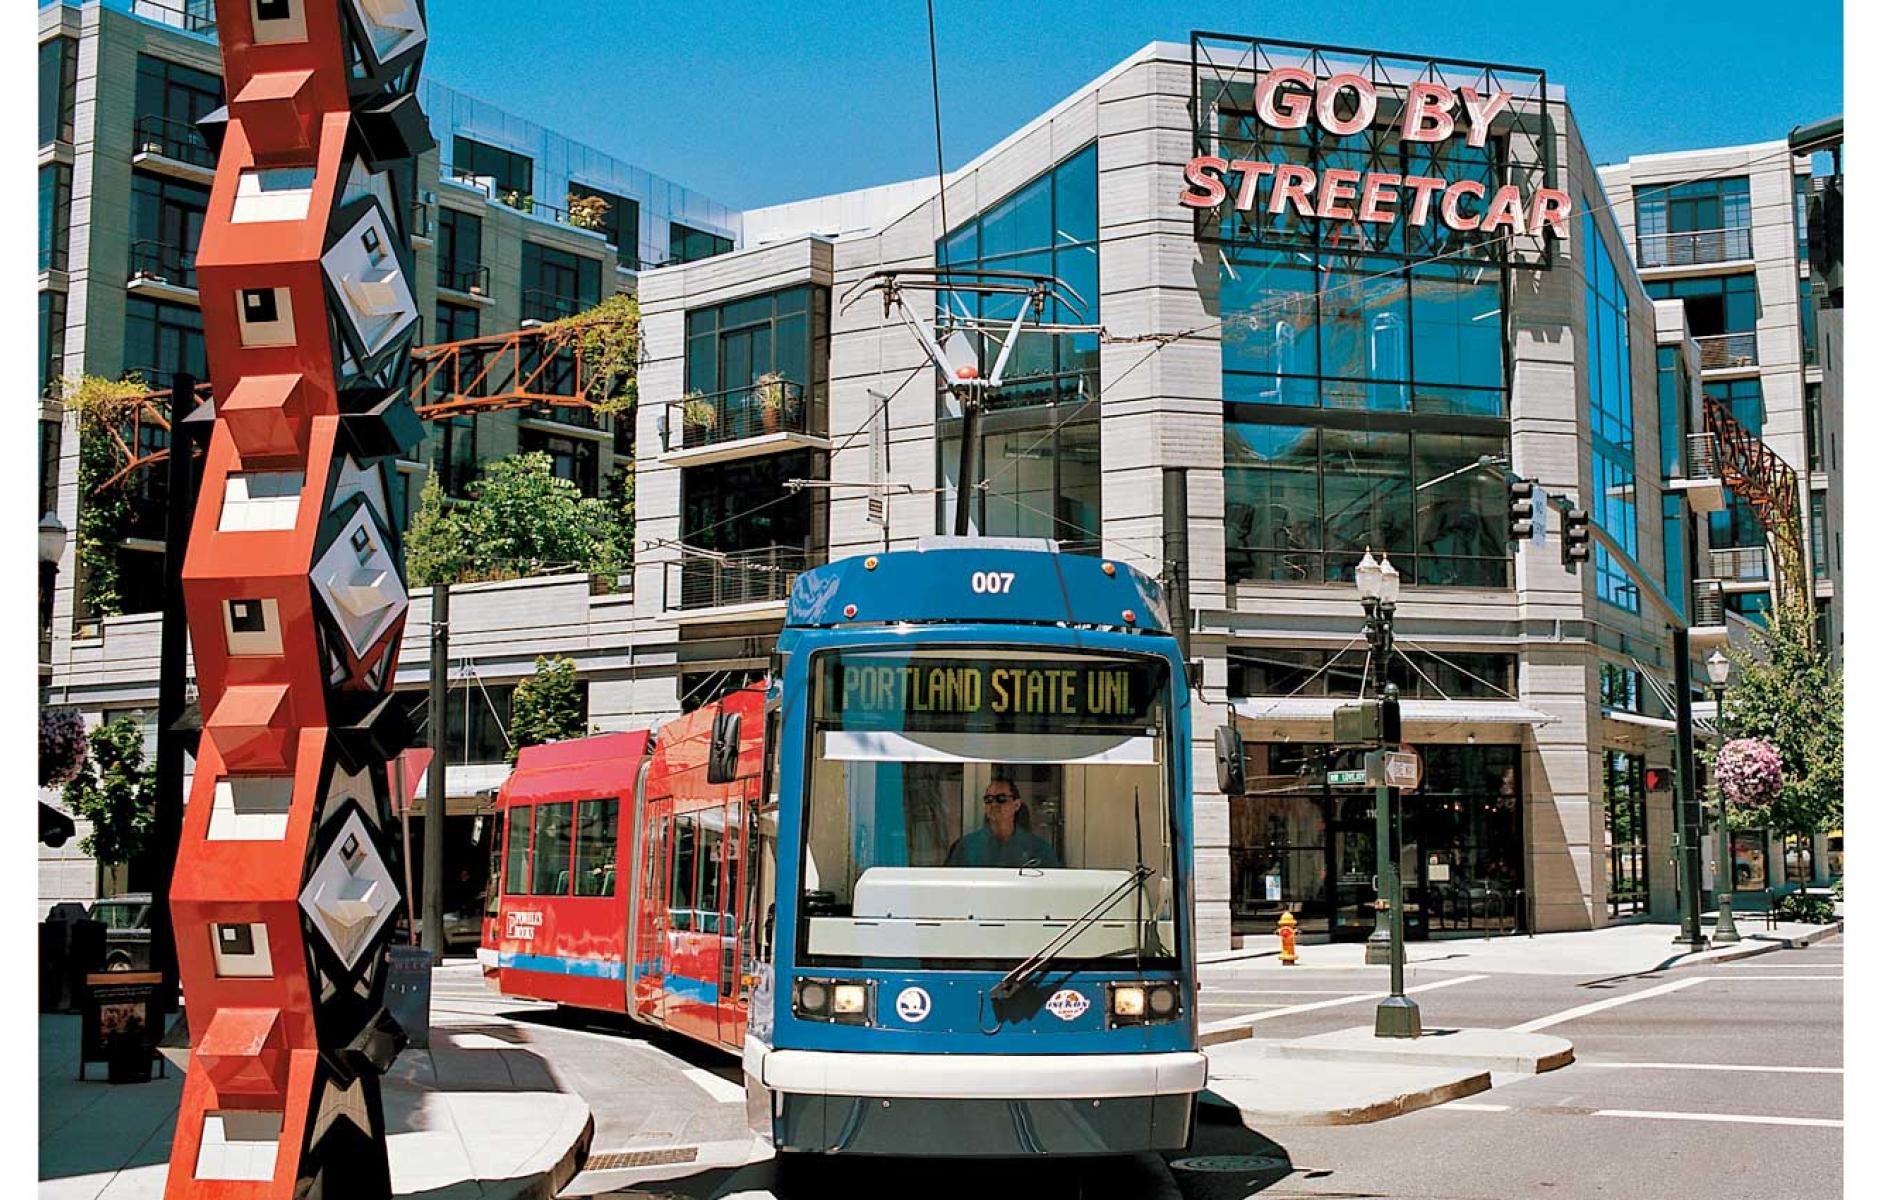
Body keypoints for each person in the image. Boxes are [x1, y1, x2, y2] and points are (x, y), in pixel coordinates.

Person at [945, 779, 1060, 868]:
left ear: (1016, 805)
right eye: (989, 799)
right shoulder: (966, 847)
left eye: (1001, 798)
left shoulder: (1038, 849)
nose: (994, 804)